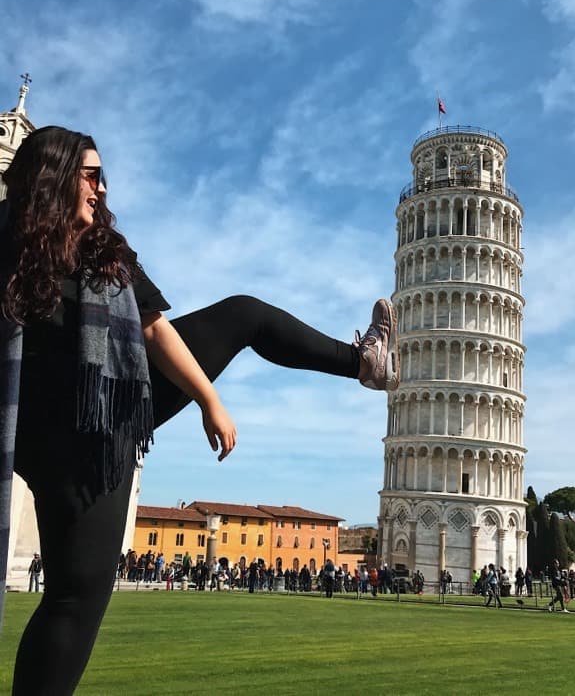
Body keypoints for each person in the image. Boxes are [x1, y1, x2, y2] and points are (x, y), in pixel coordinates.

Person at [0, 126, 400, 695]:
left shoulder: (106, 253)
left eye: (102, 177)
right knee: (72, 595)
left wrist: (210, 399)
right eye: (90, 175)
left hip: (109, 415)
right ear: (54, 176)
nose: (101, 188)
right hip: (42, 427)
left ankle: (365, 363)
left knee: (244, 314)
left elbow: (154, 328)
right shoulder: (5, 237)